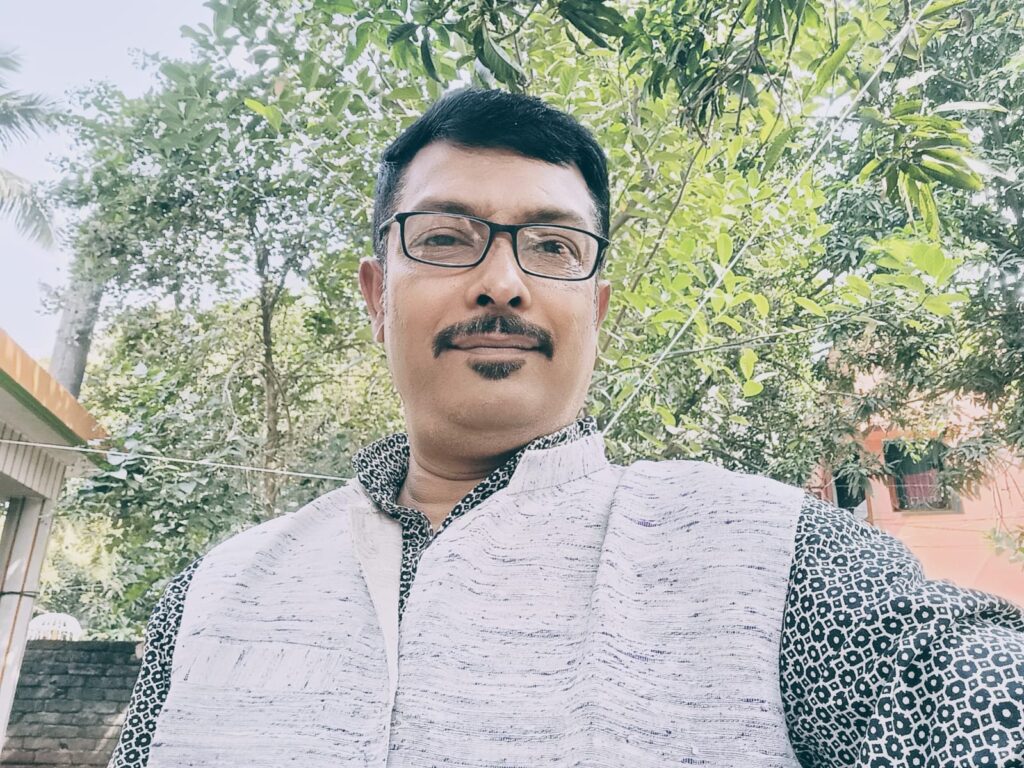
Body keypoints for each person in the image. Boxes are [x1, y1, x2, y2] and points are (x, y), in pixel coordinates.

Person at [108, 88, 1024, 768]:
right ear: (377, 295)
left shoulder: (771, 557)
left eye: (552, 246)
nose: (503, 283)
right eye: (445, 236)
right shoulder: (213, 595)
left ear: (598, 308)